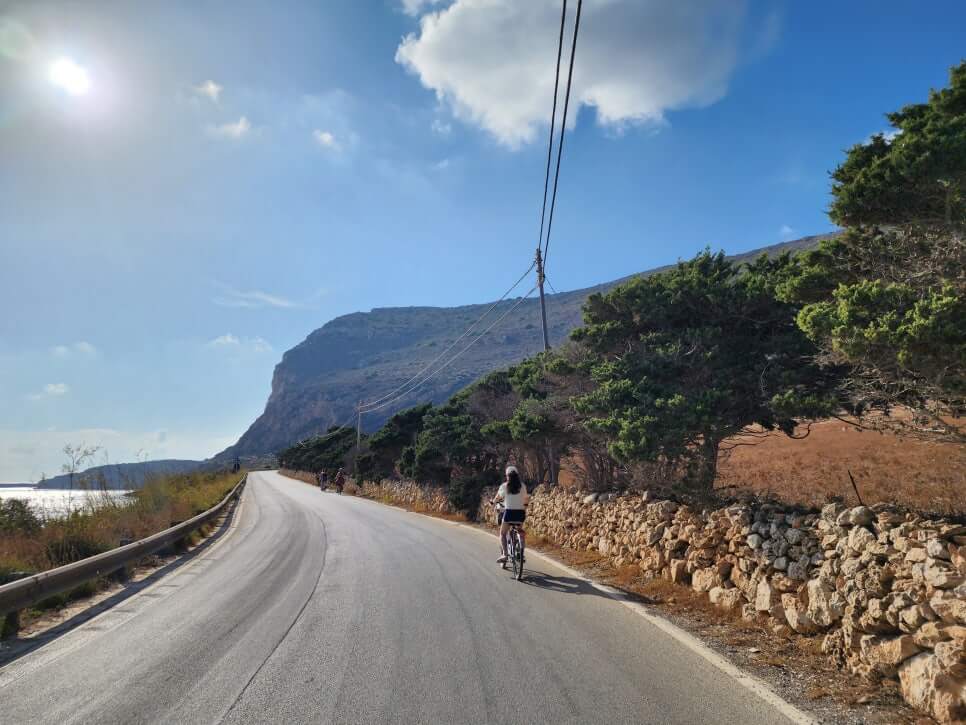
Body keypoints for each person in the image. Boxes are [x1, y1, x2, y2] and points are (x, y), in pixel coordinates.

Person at [491, 465, 528, 564]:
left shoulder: (504, 486)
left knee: (502, 534)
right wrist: (524, 507)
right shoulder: (522, 486)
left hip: (509, 513)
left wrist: (492, 502)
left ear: (507, 476)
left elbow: (498, 497)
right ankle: (521, 553)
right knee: (520, 531)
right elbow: (526, 499)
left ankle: (505, 555)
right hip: (520, 514)